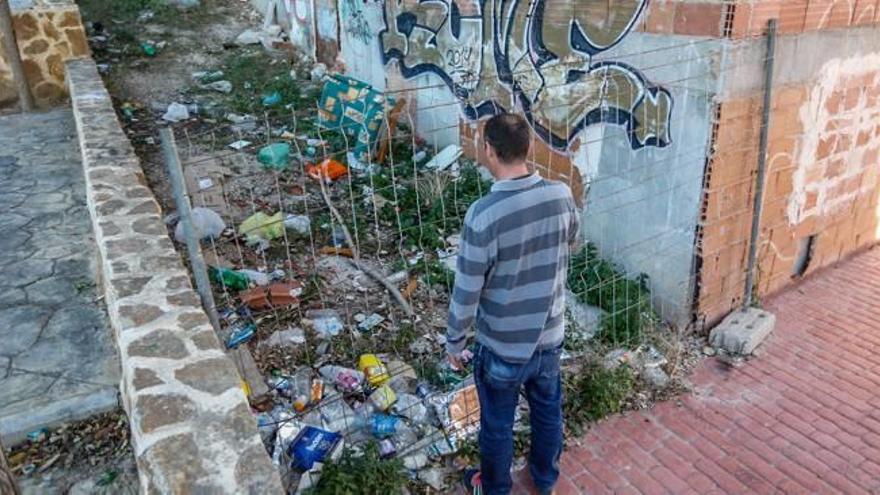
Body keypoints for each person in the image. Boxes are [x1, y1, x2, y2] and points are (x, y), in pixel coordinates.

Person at [446, 113, 580, 495]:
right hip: (550, 338)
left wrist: (454, 342)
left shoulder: (483, 215)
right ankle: (545, 478)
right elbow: (571, 239)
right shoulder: (561, 195)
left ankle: (495, 488)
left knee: (497, 424)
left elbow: (467, 290)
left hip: (502, 345)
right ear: (529, 148)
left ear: (489, 151)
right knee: (548, 411)